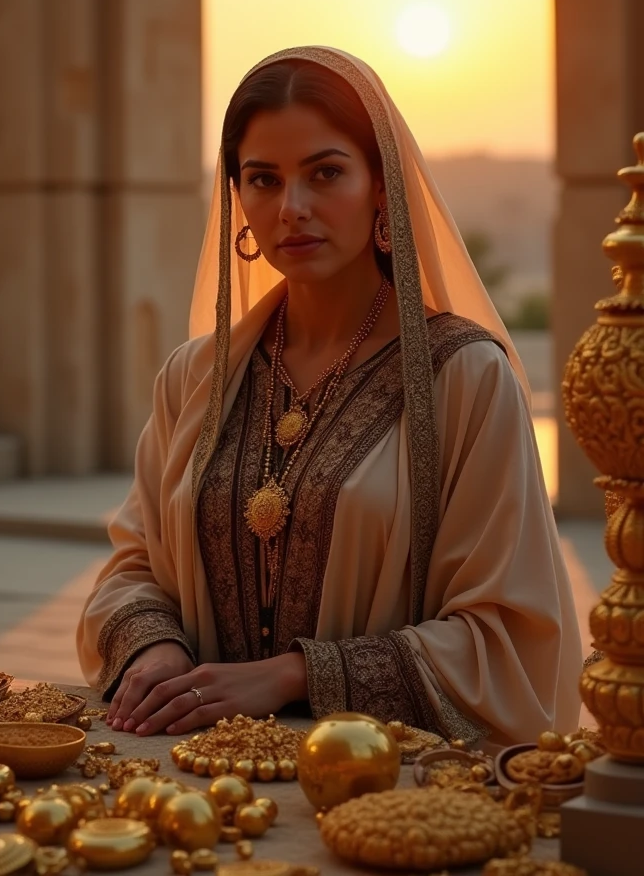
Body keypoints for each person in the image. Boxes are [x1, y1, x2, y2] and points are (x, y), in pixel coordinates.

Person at [77, 46, 582, 746]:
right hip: (190, 768)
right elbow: (132, 566)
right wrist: (154, 649)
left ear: (382, 185)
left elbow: (506, 637)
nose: (292, 208)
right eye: (263, 179)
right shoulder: (196, 378)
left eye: (325, 173)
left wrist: (293, 677)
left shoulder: (463, 378)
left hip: (381, 782)